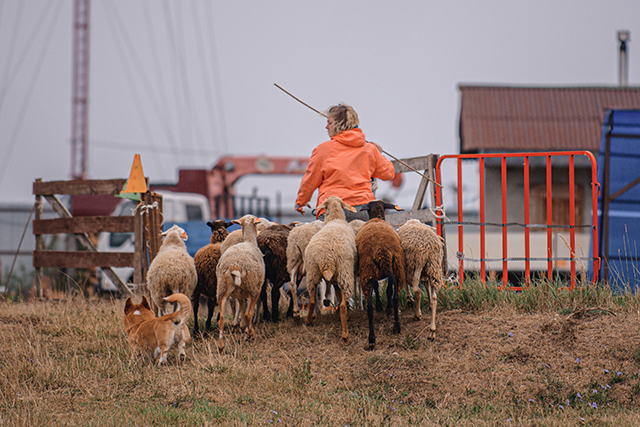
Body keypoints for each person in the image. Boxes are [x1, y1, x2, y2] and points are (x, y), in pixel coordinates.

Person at [295, 103, 396, 221]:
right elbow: (389, 173)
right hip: (362, 210)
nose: (326, 127)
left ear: (339, 125)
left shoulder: (322, 150)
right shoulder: (369, 149)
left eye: (329, 123)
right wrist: (379, 153)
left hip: (333, 210)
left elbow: (310, 182)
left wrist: (300, 202)